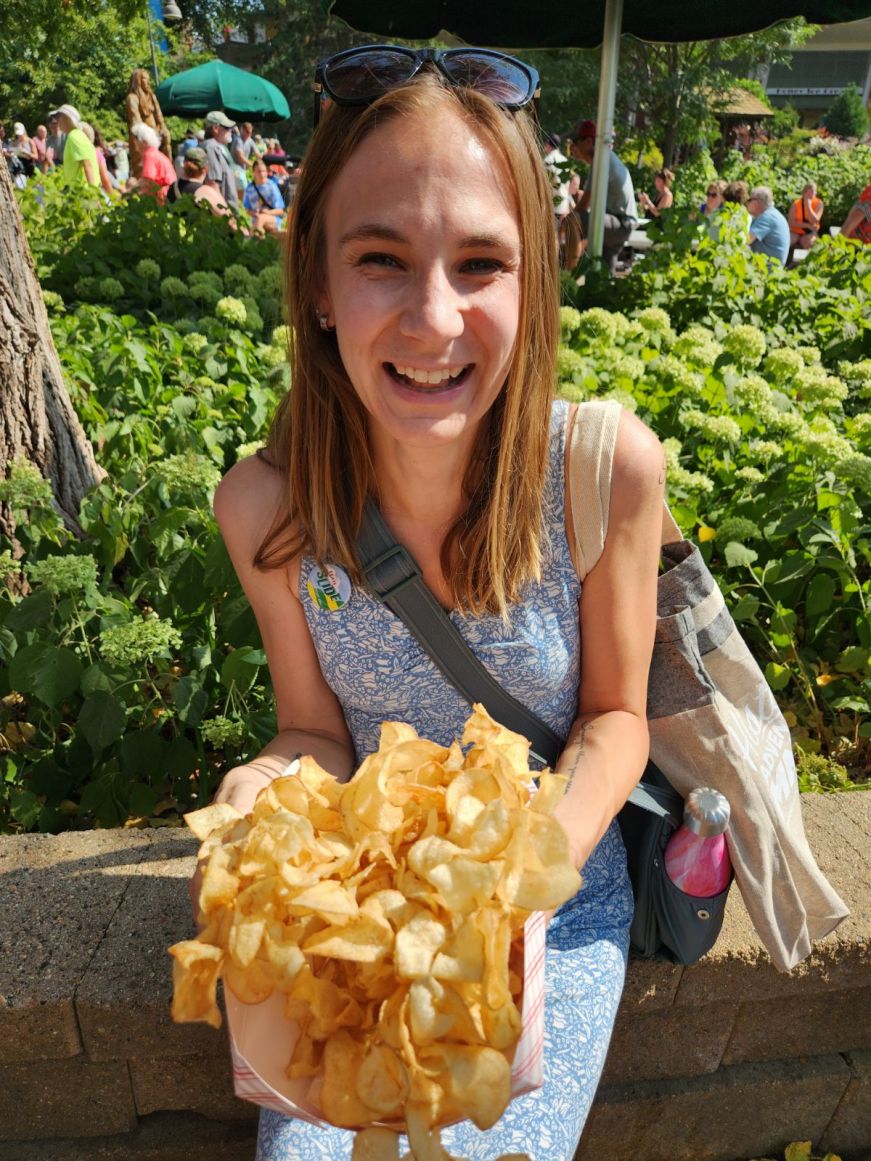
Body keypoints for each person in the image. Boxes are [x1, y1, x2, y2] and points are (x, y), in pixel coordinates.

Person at [206, 43, 664, 1161]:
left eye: (479, 264)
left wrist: (520, 872)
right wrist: (259, 792)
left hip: (556, 900)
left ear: (531, 282)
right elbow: (314, 731)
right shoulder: (268, 509)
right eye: (380, 259)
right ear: (316, 281)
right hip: (361, 929)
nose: (433, 317)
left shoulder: (599, 470)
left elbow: (614, 722)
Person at [568, 118, 638, 274]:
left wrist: (565, 224)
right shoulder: (605, 157)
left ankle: (567, 278)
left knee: (574, 220)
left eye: (575, 142)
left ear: (587, 141)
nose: (572, 148)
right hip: (621, 222)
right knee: (603, 278)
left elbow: (582, 207)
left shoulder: (600, 160)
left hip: (620, 222)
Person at [126, 67, 171, 178]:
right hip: (142, 139)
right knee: (143, 169)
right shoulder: (132, 98)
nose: (148, 81)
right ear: (138, 80)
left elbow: (158, 115)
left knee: (167, 142)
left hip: (155, 137)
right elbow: (136, 121)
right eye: (145, 79)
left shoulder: (151, 96)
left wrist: (162, 128)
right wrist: (150, 135)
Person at [167, 146, 234, 218]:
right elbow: (228, 219)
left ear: (184, 164)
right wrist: (216, 190)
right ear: (205, 169)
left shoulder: (173, 186)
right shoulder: (204, 191)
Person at [50, 104, 99, 190]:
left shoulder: (74, 136)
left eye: (58, 117)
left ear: (66, 118)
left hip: (83, 192)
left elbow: (87, 165)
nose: (57, 121)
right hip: (79, 190)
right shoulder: (76, 135)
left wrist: (94, 195)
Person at [128, 122, 178, 204]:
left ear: (143, 141)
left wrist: (128, 194)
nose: (134, 143)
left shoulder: (149, 155)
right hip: (169, 195)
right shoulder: (155, 153)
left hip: (163, 199)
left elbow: (147, 182)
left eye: (135, 139)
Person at [202, 110, 239, 210]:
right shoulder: (211, 148)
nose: (231, 131)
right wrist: (226, 213)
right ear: (215, 128)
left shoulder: (213, 146)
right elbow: (212, 184)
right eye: (227, 128)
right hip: (221, 215)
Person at [747, 185, 790, 267]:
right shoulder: (771, 214)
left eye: (749, 200)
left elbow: (746, 240)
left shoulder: (767, 217)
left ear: (756, 202)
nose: (747, 203)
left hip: (767, 270)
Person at [242, 156, 286, 232]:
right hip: (256, 219)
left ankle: (250, 241)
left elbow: (280, 211)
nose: (262, 174)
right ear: (253, 173)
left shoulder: (271, 186)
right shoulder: (249, 188)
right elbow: (247, 209)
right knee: (258, 223)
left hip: (273, 219)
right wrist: (254, 213)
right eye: (259, 171)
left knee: (260, 219)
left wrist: (267, 212)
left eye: (264, 171)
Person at [787, 181, 824, 252]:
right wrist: (807, 225)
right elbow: (791, 222)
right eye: (812, 191)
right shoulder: (796, 204)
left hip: (810, 232)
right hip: (795, 231)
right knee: (786, 241)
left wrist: (809, 206)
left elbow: (815, 220)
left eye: (815, 191)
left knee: (810, 243)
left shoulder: (819, 203)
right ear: (805, 192)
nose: (814, 193)